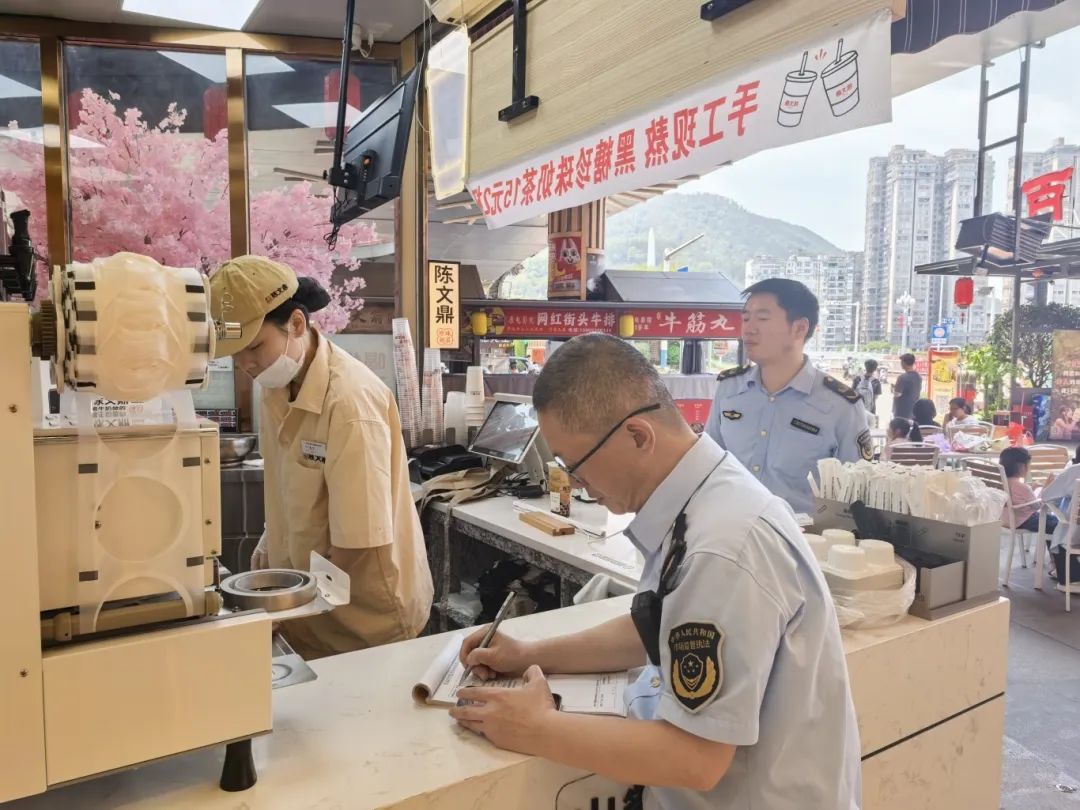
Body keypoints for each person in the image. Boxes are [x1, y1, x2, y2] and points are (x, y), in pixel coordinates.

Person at [450, 334, 861, 809]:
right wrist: (530, 655)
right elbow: (662, 625)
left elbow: (695, 758)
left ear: (638, 436)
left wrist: (536, 727)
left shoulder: (722, 547)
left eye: (576, 466)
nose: (577, 483)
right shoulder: (703, 498)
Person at [208, 256, 433, 659]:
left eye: (254, 347)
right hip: (312, 605)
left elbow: (358, 541)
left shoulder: (349, 403)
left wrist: (286, 604)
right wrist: (272, 543)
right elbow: (288, 484)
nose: (247, 365)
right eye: (235, 354)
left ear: (296, 324)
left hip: (366, 619)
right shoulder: (276, 385)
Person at [704, 278, 871, 515]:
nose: (748, 329)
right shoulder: (729, 389)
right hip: (730, 528)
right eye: (746, 318)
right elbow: (710, 464)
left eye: (762, 319)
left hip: (800, 536)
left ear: (799, 328)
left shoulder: (841, 406)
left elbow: (856, 494)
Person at [1000, 447, 1057, 535]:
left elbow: (1019, 499)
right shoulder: (1021, 486)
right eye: (1028, 465)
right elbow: (1037, 506)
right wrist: (1046, 487)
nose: (1028, 469)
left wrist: (1033, 488)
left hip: (1006, 520)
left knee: (1050, 521)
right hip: (1024, 520)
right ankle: (1054, 544)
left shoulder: (1001, 482)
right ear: (1021, 466)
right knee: (1057, 524)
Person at [892, 353, 922, 420]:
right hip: (913, 411)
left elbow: (897, 394)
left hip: (901, 412)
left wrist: (894, 388)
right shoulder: (918, 377)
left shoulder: (902, 377)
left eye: (901, 361)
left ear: (904, 363)